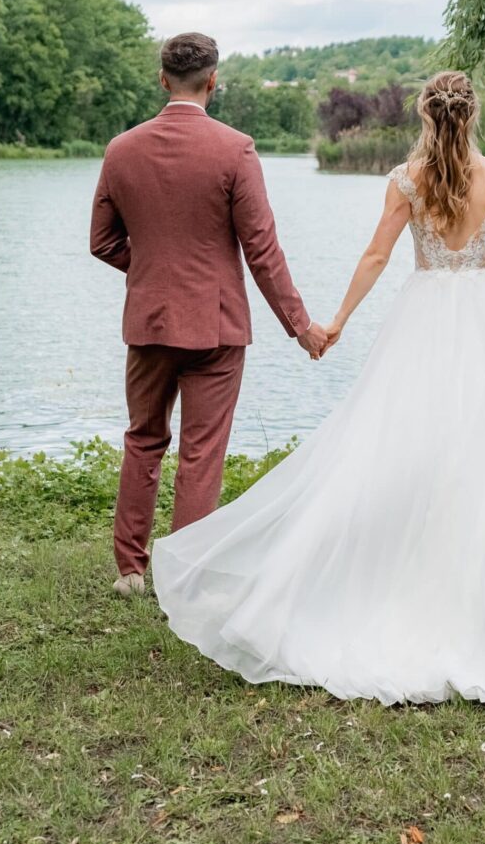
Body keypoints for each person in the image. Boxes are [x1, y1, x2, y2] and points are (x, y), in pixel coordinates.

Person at [151, 70, 485, 709]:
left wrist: (337, 322)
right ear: (473, 114)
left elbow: (377, 257)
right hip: (484, 318)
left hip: (424, 317)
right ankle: (477, 591)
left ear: (425, 117)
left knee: (400, 442)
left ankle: (405, 579)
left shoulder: (407, 180)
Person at [90, 32, 326, 597]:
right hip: (217, 327)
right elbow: (262, 251)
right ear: (213, 80)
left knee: (143, 439)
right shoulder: (235, 149)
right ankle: (184, 576)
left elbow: (102, 241)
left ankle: (130, 570)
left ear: (162, 79)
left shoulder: (121, 149)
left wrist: (150, 271)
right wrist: (302, 327)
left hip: (149, 322)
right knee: (202, 452)